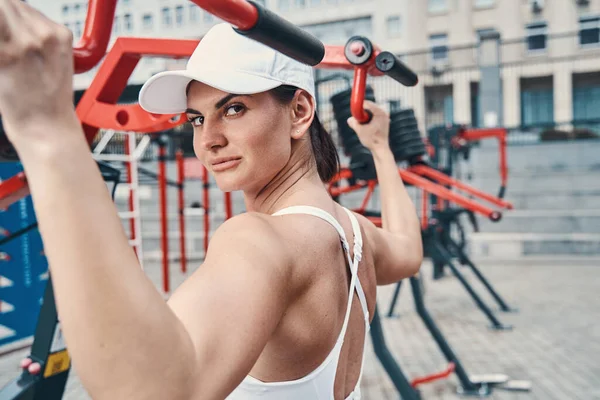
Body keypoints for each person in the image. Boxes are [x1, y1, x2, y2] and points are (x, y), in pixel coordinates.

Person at [0, 2, 422, 399]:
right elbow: (408, 249)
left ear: (299, 112)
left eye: (234, 109)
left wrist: (48, 130)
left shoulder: (262, 241)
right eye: (198, 118)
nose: (209, 139)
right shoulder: (355, 233)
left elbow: (150, 389)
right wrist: (380, 149)